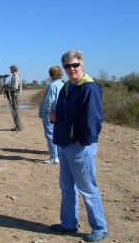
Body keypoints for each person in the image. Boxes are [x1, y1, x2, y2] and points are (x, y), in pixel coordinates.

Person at [49, 50, 108, 242]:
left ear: (82, 65)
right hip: (65, 145)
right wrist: (54, 116)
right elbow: (65, 113)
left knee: (87, 188)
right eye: (67, 65)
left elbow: (94, 119)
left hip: (80, 147)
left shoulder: (89, 88)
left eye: (75, 65)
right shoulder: (67, 87)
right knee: (67, 187)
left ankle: (99, 227)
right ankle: (68, 224)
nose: (71, 69)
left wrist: (82, 140)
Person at [38, 66, 64, 164]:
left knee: (50, 135)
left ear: (51, 74)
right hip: (60, 113)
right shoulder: (62, 84)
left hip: (50, 113)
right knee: (57, 134)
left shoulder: (52, 85)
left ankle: (54, 156)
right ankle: (59, 155)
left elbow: (48, 101)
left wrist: (44, 112)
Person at [8, 65, 23, 131]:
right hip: (16, 94)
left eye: (11, 69)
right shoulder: (16, 76)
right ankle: (18, 125)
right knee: (15, 110)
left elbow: (15, 87)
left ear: (14, 69)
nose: (10, 70)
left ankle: (18, 126)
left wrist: (8, 88)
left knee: (16, 110)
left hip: (15, 94)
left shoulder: (15, 76)